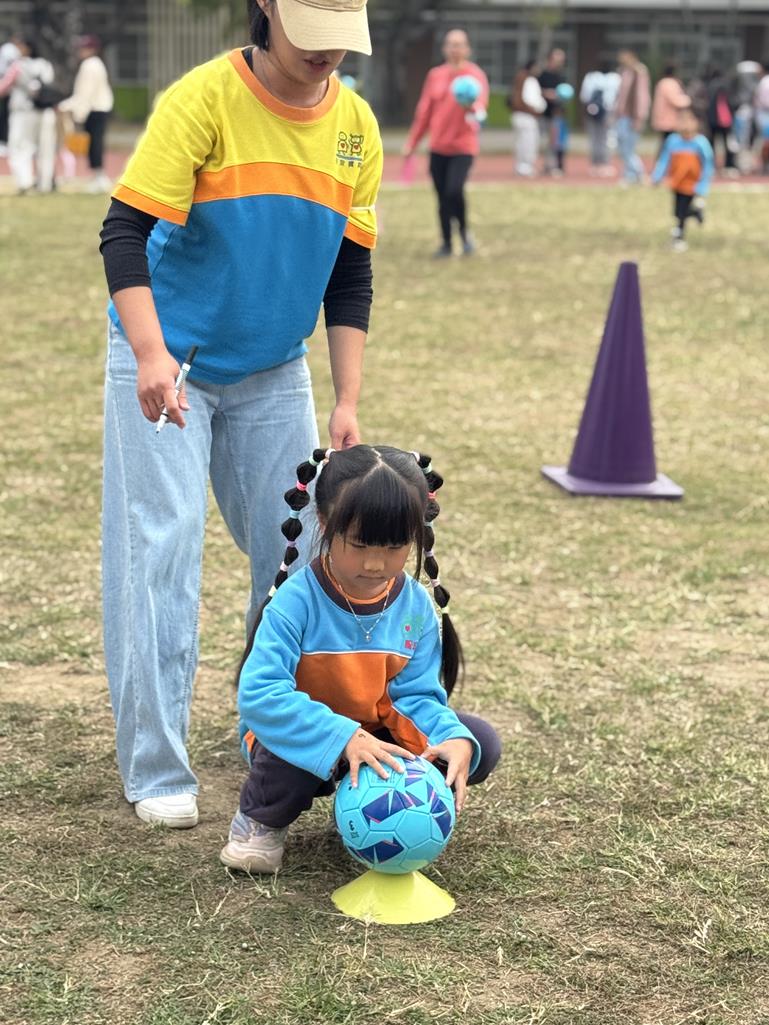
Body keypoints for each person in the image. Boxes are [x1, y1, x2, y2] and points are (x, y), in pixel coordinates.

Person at [97, 0, 383, 829]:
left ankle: (271, 729)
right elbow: (123, 231)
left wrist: (347, 400)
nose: (326, 53)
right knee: (161, 548)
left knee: (296, 554)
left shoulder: (355, 127)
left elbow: (350, 274)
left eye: (340, 37)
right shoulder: (203, 99)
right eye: (311, 32)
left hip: (274, 366)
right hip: (169, 357)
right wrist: (150, 353)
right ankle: (156, 764)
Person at [220, 445, 501, 873]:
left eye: (394, 546)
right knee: (286, 762)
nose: (375, 563)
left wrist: (451, 737)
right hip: (306, 733)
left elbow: (416, 697)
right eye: (360, 544)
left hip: (377, 731)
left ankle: (379, 806)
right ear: (325, 523)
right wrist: (343, 738)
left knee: (478, 739)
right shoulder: (297, 601)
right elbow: (262, 697)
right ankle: (259, 821)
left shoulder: (414, 607)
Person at [403, 29, 488, 257]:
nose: (455, 49)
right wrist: (412, 142)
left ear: (467, 49)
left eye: (459, 44)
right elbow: (424, 112)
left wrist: (472, 107)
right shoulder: (435, 75)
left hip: (463, 147)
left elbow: (481, 109)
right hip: (438, 146)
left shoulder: (475, 76)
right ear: (444, 48)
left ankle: (465, 233)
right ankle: (447, 243)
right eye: (451, 44)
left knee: (454, 190)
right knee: (442, 196)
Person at [0, 36, 57, 194]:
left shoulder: (18, 66)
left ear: (27, 48)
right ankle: (45, 183)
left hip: (22, 112)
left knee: (20, 147)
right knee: (45, 149)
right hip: (45, 111)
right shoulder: (45, 65)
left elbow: (3, 87)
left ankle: (24, 182)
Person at [652, 107, 713, 253]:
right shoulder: (673, 141)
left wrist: (702, 186)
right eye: (681, 120)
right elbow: (664, 160)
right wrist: (657, 176)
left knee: (680, 212)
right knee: (679, 210)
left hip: (691, 185)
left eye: (689, 120)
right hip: (677, 183)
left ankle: (679, 238)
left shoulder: (700, 143)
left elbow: (708, 166)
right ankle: (695, 213)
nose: (685, 124)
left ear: (697, 123)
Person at [58, 34, 114, 193]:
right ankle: (97, 176)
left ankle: (99, 177)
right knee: (95, 143)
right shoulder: (96, 63)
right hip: (98, 108)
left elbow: (85, 93)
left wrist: (74, 110)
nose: (81, 51)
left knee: (94, 143)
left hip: (95, 109)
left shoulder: (90, 65)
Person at [614, 49, 651, 185]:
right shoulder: (624, 72)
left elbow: (642, 96)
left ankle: (637, 173)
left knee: (628, 147)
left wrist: (640, 116)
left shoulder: (639, 72)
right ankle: (631, 174)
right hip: (622, 115)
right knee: (622, 146)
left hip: (633, 115)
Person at [579, 59, 620, 174]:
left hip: (593, 110)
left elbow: (584, 97)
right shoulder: (615, 78)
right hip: (608, 110)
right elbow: (618, 96)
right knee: (606, 138)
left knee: (595, 138)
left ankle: (595, 164)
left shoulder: (591, 77)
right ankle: (604, 164)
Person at [509, 58, 545, 176]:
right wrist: (534, 111)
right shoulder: (526, 79)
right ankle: (524, 166)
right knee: (527, 142)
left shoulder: (523, 78)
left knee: (524, 141)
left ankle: (523, 165)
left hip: (523, 115)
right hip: (525, 115)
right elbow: (524, 99)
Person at [538, 47, 568, 175]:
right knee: (545, 141)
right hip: (545, 113)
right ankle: (547, 166)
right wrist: (547, 93)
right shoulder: (542, 75)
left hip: (558, 114)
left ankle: (555, 165)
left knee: (557, 141)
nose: (560, 63)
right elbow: (536, 91)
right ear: (550, 59)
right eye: (557, 59)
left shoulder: (561, 76)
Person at [703, 67, 737, 175]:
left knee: (711, 143)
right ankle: (728, 164)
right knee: (727, 143)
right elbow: (731, 101)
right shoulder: (726, 85)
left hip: (712, 118)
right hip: (724, 118)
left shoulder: (709, 86)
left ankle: (710, 165)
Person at [651, 63, 690, 155]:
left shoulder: (661, 82)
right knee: (669, 143)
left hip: (662, 118)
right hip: (669, 120)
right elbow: (675, 100)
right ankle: (665, 161)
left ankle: (662, 160)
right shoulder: (670, 83)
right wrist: (688, 100)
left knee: (665, 142)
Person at [0, 31, 22, 157]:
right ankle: (4, 141)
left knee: (9, 116)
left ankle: (7, 141)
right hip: (6, 85)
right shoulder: (8, 49)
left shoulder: (12, 50)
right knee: (5, 115)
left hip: (10, 87)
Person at [753, 60, 769, 173]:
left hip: (765, 113)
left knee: (765, 141)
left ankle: (764, 165)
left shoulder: (765, 82)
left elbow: (763, 100)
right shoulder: (764, 82)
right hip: (764, 113)